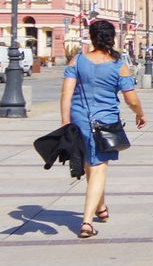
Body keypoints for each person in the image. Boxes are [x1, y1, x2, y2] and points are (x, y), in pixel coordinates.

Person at [60, 20, 147, 239]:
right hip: (105, 122)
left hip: (79, 118)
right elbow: (130, 97)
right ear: (112, 38)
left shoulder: (77, 60)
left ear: (91, 37)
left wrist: (64, 122)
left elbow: (66, 94)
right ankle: (87, 222)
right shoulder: (119, 65)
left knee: (91, 164)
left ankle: (101, 207)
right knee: (98, 168)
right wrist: (139, 113)